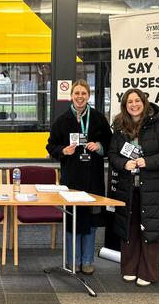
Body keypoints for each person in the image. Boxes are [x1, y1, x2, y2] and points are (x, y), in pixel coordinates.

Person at [107, 88, 159, 287]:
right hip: (129, 188)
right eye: (129, 102)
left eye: (137, 100)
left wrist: (147, 162)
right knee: (129, 228)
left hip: (155, 188)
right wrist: (124, 164)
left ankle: (148, 272)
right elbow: (113, 154)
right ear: (125, 106)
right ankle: (129, 268)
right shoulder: (119, 127)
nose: (134, 105)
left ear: (144, 102)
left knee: (151, 229)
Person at [46, 80, 112, 274]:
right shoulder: (61, 120)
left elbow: (110, 143)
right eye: (77, 93)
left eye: (84, 93)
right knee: (73, 219)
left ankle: (88, 260)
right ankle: (73, 260)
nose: (80, 96)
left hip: (93, 176)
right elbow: (50, 146)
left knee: (91, 220)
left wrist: (99, 147)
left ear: (88, 96)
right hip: (71, 178)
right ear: (71, 96)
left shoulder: (99, 119)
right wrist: (63, 150)